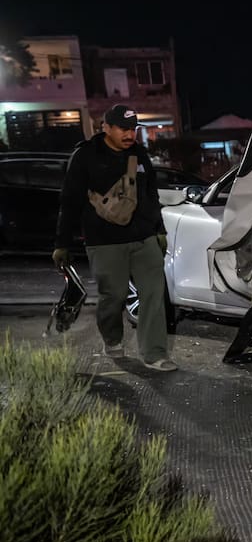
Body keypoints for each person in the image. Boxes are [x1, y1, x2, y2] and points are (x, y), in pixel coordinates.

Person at [53, 104, 177, 371]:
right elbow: (70, 200)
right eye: (123, 128)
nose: (130, 134)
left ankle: (154, 354)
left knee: (153, 294)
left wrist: (160, 230)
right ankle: (112, 338)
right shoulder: (86, 155)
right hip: (104, 241)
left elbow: (151, 195)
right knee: (114, 296)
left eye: (133, 129)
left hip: (144, 238)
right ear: (106, 127)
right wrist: (62, 243)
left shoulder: (140, 154)